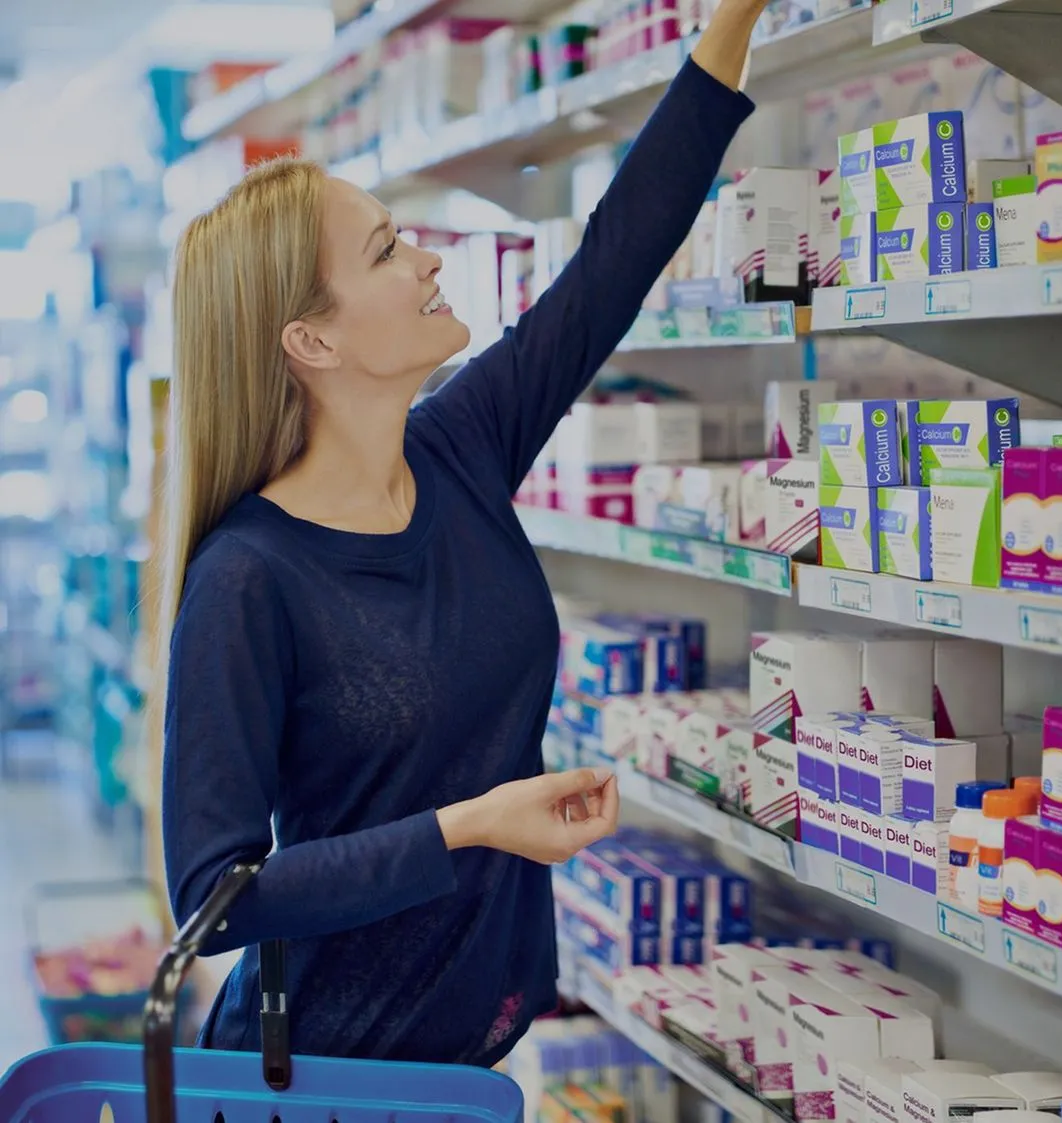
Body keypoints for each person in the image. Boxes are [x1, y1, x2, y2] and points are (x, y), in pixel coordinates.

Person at [162, 0, 764, 1067]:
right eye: (389, 249)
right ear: (311, 339)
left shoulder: (461, 448)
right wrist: (470, 825)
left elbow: (612, 263)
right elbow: (215, 898)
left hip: (471, 1054)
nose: (429, 260)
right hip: (319, 1078)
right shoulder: (249, 579)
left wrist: (735, 17)